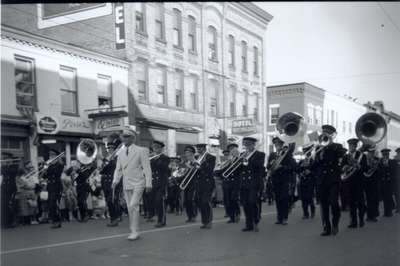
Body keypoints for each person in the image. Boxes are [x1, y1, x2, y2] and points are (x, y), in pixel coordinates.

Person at [112, 126, 152, 241]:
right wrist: (115, 180)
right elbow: (118, 169)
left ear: (133, 138)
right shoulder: (121, 152)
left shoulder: (141, 150)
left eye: (127, 136)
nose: (124, 139)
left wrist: (149, 183)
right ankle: (134, 231)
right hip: (127, 183)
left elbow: (147, 168)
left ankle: (134, 231)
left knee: (133, 205)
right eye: (123, 137)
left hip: (139, 182)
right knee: (131, 208)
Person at [312, 125, 345, 236]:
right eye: (324, 133)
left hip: (333, 179)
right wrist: (316, 156)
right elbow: (315, 166)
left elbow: (341, 157)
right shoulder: (318, 148)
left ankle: (335, 223)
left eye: (327, 133)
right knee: (324, 205)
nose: (325, 135)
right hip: (322, 180)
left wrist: (329, 145)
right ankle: (327, 228)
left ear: (331, 135)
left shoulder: (337, 147)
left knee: (334, 202)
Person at [267, 137, 296, 225]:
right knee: (278, 199)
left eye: (279, 144)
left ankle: (285, 218)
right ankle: (279, 218)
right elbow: (268, 166)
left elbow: (292, 167)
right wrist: (270, 164)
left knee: (284, 199)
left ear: (282, 144)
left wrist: (282, 167)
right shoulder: (272, 155)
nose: (277, 145)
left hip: (284, 179)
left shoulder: (287, 154)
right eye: (276, 144)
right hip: (275, 180)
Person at [239, 137, 265, 232]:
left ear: (253, 145)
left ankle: (255, 222)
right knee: (245, 204)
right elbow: (239, 169)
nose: (247, 147)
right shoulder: (242, 155)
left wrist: (247, 160)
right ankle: (248, 224)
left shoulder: (260, 154)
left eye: (249, 145)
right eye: (246, 145)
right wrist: (238, 160)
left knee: (252, 203)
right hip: (244, 183)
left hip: (254, 183)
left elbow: (259, 165)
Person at [341, 138, 367, 228]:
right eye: (349, 146)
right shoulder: (346, 156)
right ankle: (353, 222)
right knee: (351, 203)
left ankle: (361, 220)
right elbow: (342, 167)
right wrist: (345, 167)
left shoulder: (362, 156)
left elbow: (365, 168)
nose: (350, 147)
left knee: (360, 202)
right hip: (349, 182)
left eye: (352, 146)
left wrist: (358, 166)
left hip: (359, 182)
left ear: (355, 146)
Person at [100, 133, 122, 227]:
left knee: (111, 200)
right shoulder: (106, 160)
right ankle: (117, 216)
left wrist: (110, 161)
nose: (109, 150)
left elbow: (117, 168)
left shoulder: (117, 159)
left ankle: (114, 219)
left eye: (111, 149)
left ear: (114, 150)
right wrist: (103, 165)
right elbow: (102, 171)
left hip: (114, 182)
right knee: (110, 201)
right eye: (108, 149)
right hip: (105, 182)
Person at [194, 143, 216, 229]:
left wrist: (199, 167)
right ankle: (204, 221)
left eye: (200, 148)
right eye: (197, 149)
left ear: (204, 148)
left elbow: (210, 169)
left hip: (207, 182)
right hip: (199, 183)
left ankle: (209, 221)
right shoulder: (196, 158)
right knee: (199, 202)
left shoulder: (210, 157)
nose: (198, 150)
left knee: (205, 202)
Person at [149, 141, 170, 228]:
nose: (155, 149)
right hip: (153, 182)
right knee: (155, 202)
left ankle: (161, 221)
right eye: (154, 148)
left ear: (161, 148)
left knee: (159, 201)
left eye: (157, 147)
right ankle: (158, 218)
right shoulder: (151, 158)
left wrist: (156, 159)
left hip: (162, 182)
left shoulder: (165, 158)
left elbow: (164, 168)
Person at [43, 150, 65, 229]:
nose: (50, 156)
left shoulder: (60, 164)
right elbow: (44, 176)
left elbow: (57, 173)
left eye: (52, 155)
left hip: (57, 186)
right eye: (50, 154)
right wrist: (45, 170)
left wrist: (50, 165)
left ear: (56, 156)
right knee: (51, 204)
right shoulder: (49, 165)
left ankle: (57, 221)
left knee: (54, 204)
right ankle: (55, 220)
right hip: (50, 186)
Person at [297, 144, 316, 219]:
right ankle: (305, 213)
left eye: (307, 152)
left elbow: (316, 171)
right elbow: (297, 169)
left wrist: (310, 172)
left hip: (310, 181)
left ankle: (312, 211)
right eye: (304, 152)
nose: (306, 153)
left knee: (309, 197)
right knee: (303, 198)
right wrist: (300, 172)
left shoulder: (313, 161)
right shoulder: (301, 161)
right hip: (303, 181)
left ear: (310, 152)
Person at [181, 146, 198, 223]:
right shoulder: (186, 162)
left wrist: (189, 166)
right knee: (187, 201)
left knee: (191, 200)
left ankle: (193, 215)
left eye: (189, 153)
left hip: (194, 184)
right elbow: (183, 173)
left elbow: (196, 171)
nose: (187, 155)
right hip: (186, 184)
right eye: (186, 153)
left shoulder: (196, 162)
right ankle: (189, 216)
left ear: (193, 154)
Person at [363, 146, 380, 222]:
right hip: (367, 182)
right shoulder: (364, 160)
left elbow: (380, 170)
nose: (371, 154)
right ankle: (370, 216)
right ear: (368, 153)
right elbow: (363, 169)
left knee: (374, 199)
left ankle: (373, 214)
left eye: (372, 152)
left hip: (375, 181)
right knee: (369, 199)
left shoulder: (377, 160)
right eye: (370, 152)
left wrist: (376, 169)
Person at [379, 148, 396, 217]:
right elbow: (379, 172)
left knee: (389, 197)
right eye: (384, 154)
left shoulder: (392, 162)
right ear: (382, 155)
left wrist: (388, 166)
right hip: (382, 182)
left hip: (389, 182)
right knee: (384, 198)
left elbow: (395, 171)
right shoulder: (380, 162)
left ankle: (389, 212)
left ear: (388, 155)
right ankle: (386, 212)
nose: (385, 155)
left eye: (387, 154)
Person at [393, 147, 400, 214]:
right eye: (398, 152)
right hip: (396, 179)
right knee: (397, 194)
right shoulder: (395, 159)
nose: (398, 154)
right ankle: (398, 207)